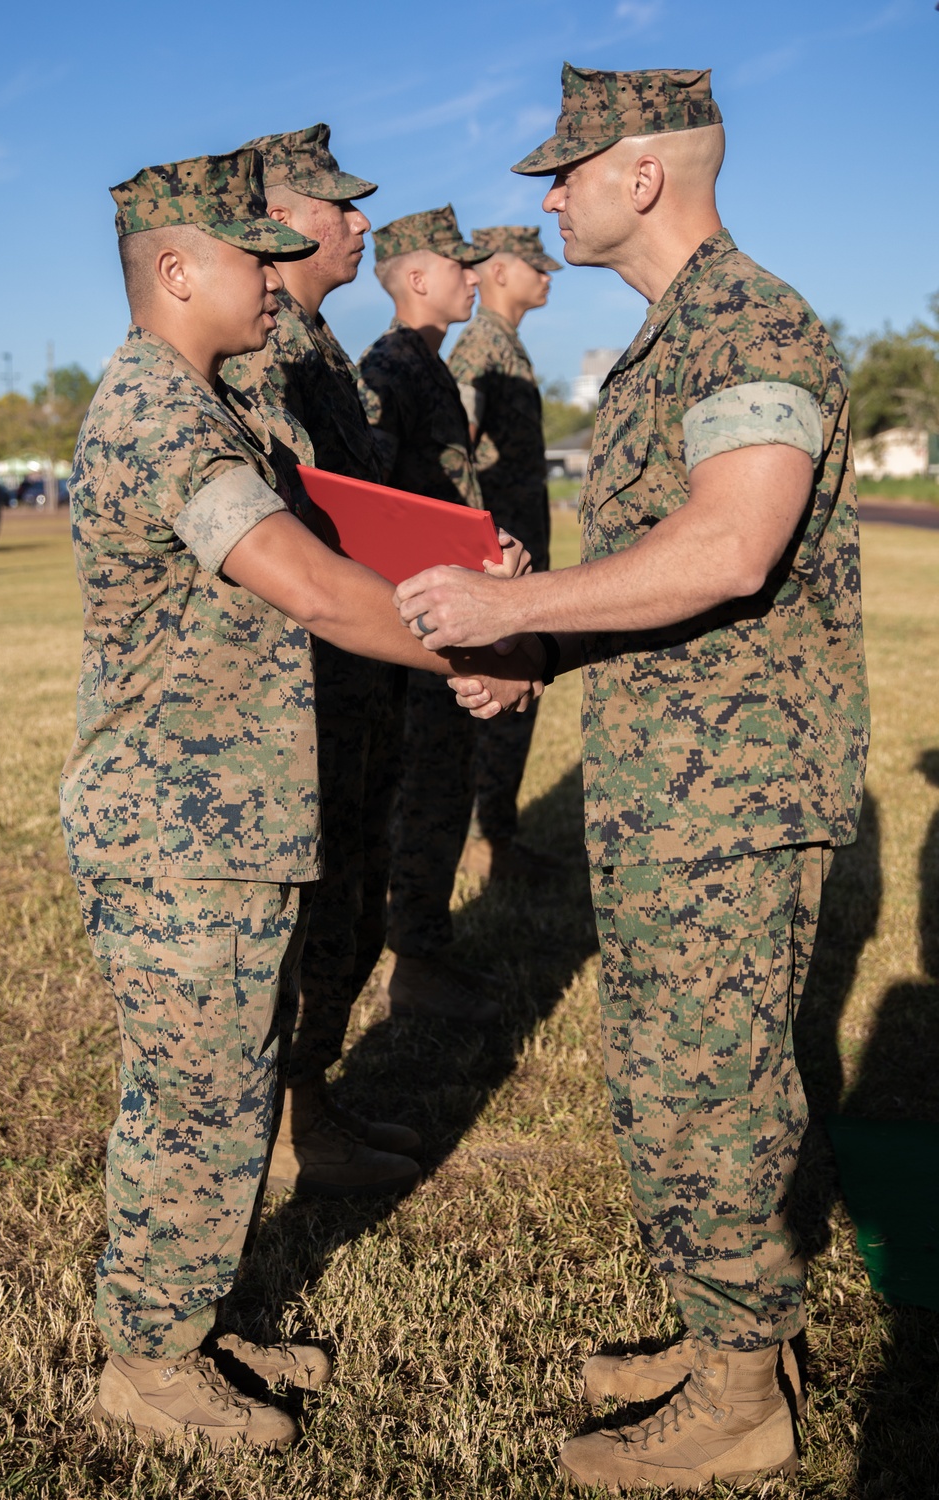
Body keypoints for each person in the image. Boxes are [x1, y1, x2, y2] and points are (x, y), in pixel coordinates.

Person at [393, 64, 868, 1492]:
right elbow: (673, 592)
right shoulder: (678, 339)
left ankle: (740, 1405)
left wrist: (508, 618)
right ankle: (731, 1336)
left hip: (732, 796)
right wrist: (539, 640)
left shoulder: (747, 325)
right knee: (678, 1086)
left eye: (567, 172)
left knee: (704, 1093)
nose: (545, 201)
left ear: (642, 175)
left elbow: (731, 552)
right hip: (680, 782)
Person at [62, 147, 540, 1451]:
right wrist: (487, 639)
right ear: (174, 270)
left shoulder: (202, 403)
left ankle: (188, 1323)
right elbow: (317, 589)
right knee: (197, 1106)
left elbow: (340, 541)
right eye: (247, 255)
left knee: (227, 1090)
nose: (276, 275)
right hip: (177, 829)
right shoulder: (163, 416)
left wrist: (458, 579)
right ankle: (148, 1365)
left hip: (221, 817)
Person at [222, 122, 420, 1199]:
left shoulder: (323, 350)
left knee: (353, 892)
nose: (359, 223)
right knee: (311, 904)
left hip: (359, 673)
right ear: (274, 218)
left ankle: (316, 1103)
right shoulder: (260, 357)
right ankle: (294, 1118)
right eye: (335, 206)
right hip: (303, 684)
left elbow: (365, 516)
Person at [359, 206, 508, 1025]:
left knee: (444, 783)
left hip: (446, 607)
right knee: (426, 787)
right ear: (418, 278)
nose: (472, 277)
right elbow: (370, 501)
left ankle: (424, 954)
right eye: (459, 266)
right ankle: (414, 961)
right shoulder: (391, 367)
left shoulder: (427, 364)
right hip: (416, 620)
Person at [448, 225, 562, 882]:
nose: (548, 275)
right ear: (496, 271)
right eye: (534, 265)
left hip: (516, 566)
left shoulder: (505, 346)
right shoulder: (481, 350)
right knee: (496, 709)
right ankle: (481, 845)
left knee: (519, 706)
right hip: (496, 569)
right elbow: (456, 449)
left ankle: (498, 838)